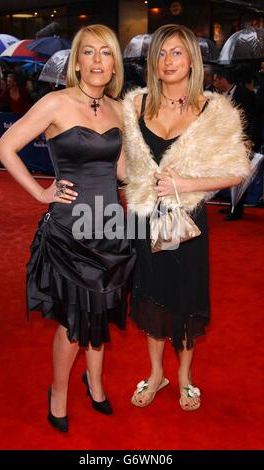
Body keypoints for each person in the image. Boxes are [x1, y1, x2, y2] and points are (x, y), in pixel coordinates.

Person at [0, 24, 135, 432]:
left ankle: (94, 382)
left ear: (114, 65)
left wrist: (159, 173)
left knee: (102, 313)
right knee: (73, 321)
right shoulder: (56, 103)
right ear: (76, 62)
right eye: (88, 52)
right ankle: (58, 391)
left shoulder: (120, 109)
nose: (96, 61)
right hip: (71, 230)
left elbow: (123, 170)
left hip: (110, 225)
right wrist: (41, 194)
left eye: (105, 53)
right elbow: (6, 147)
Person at [123, 24, 250, 411]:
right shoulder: (136, 105)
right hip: (146, 221)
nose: (167, 61)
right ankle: (158, 373)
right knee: (151, 297)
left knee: (186, 296)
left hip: (187, 223)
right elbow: (123, 165)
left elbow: (237, 171)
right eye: (161, 54)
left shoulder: (214, 110)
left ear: (192, 61)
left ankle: (184, 376)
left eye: (176, 53)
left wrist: (185, 180)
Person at [213, 66, 258, 220]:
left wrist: (249, 139)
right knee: (231, 172)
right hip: (228, 141)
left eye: (215, 80)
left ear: (222, 79)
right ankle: (233, 205)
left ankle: (237, 210)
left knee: (240, 174)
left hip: (244, 141)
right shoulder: (221, 95)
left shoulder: (245, 94)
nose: (214, 83)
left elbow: (253, 118)